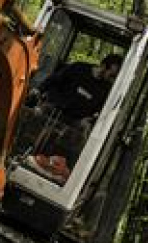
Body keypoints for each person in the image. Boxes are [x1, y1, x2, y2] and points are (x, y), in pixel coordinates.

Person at [24, 53, 123, 183]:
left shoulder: (105, 90)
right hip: (52, 108)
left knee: (81, 136)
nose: (112, 79)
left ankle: (61, 172)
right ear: (103, 66)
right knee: (38, 116)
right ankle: (26, 153)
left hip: (73, 122)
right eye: (112, 75)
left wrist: (89, 119)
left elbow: (100, 112)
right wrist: (38, 90)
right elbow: (53, 80)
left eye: (115, 77)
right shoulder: (78, 68)